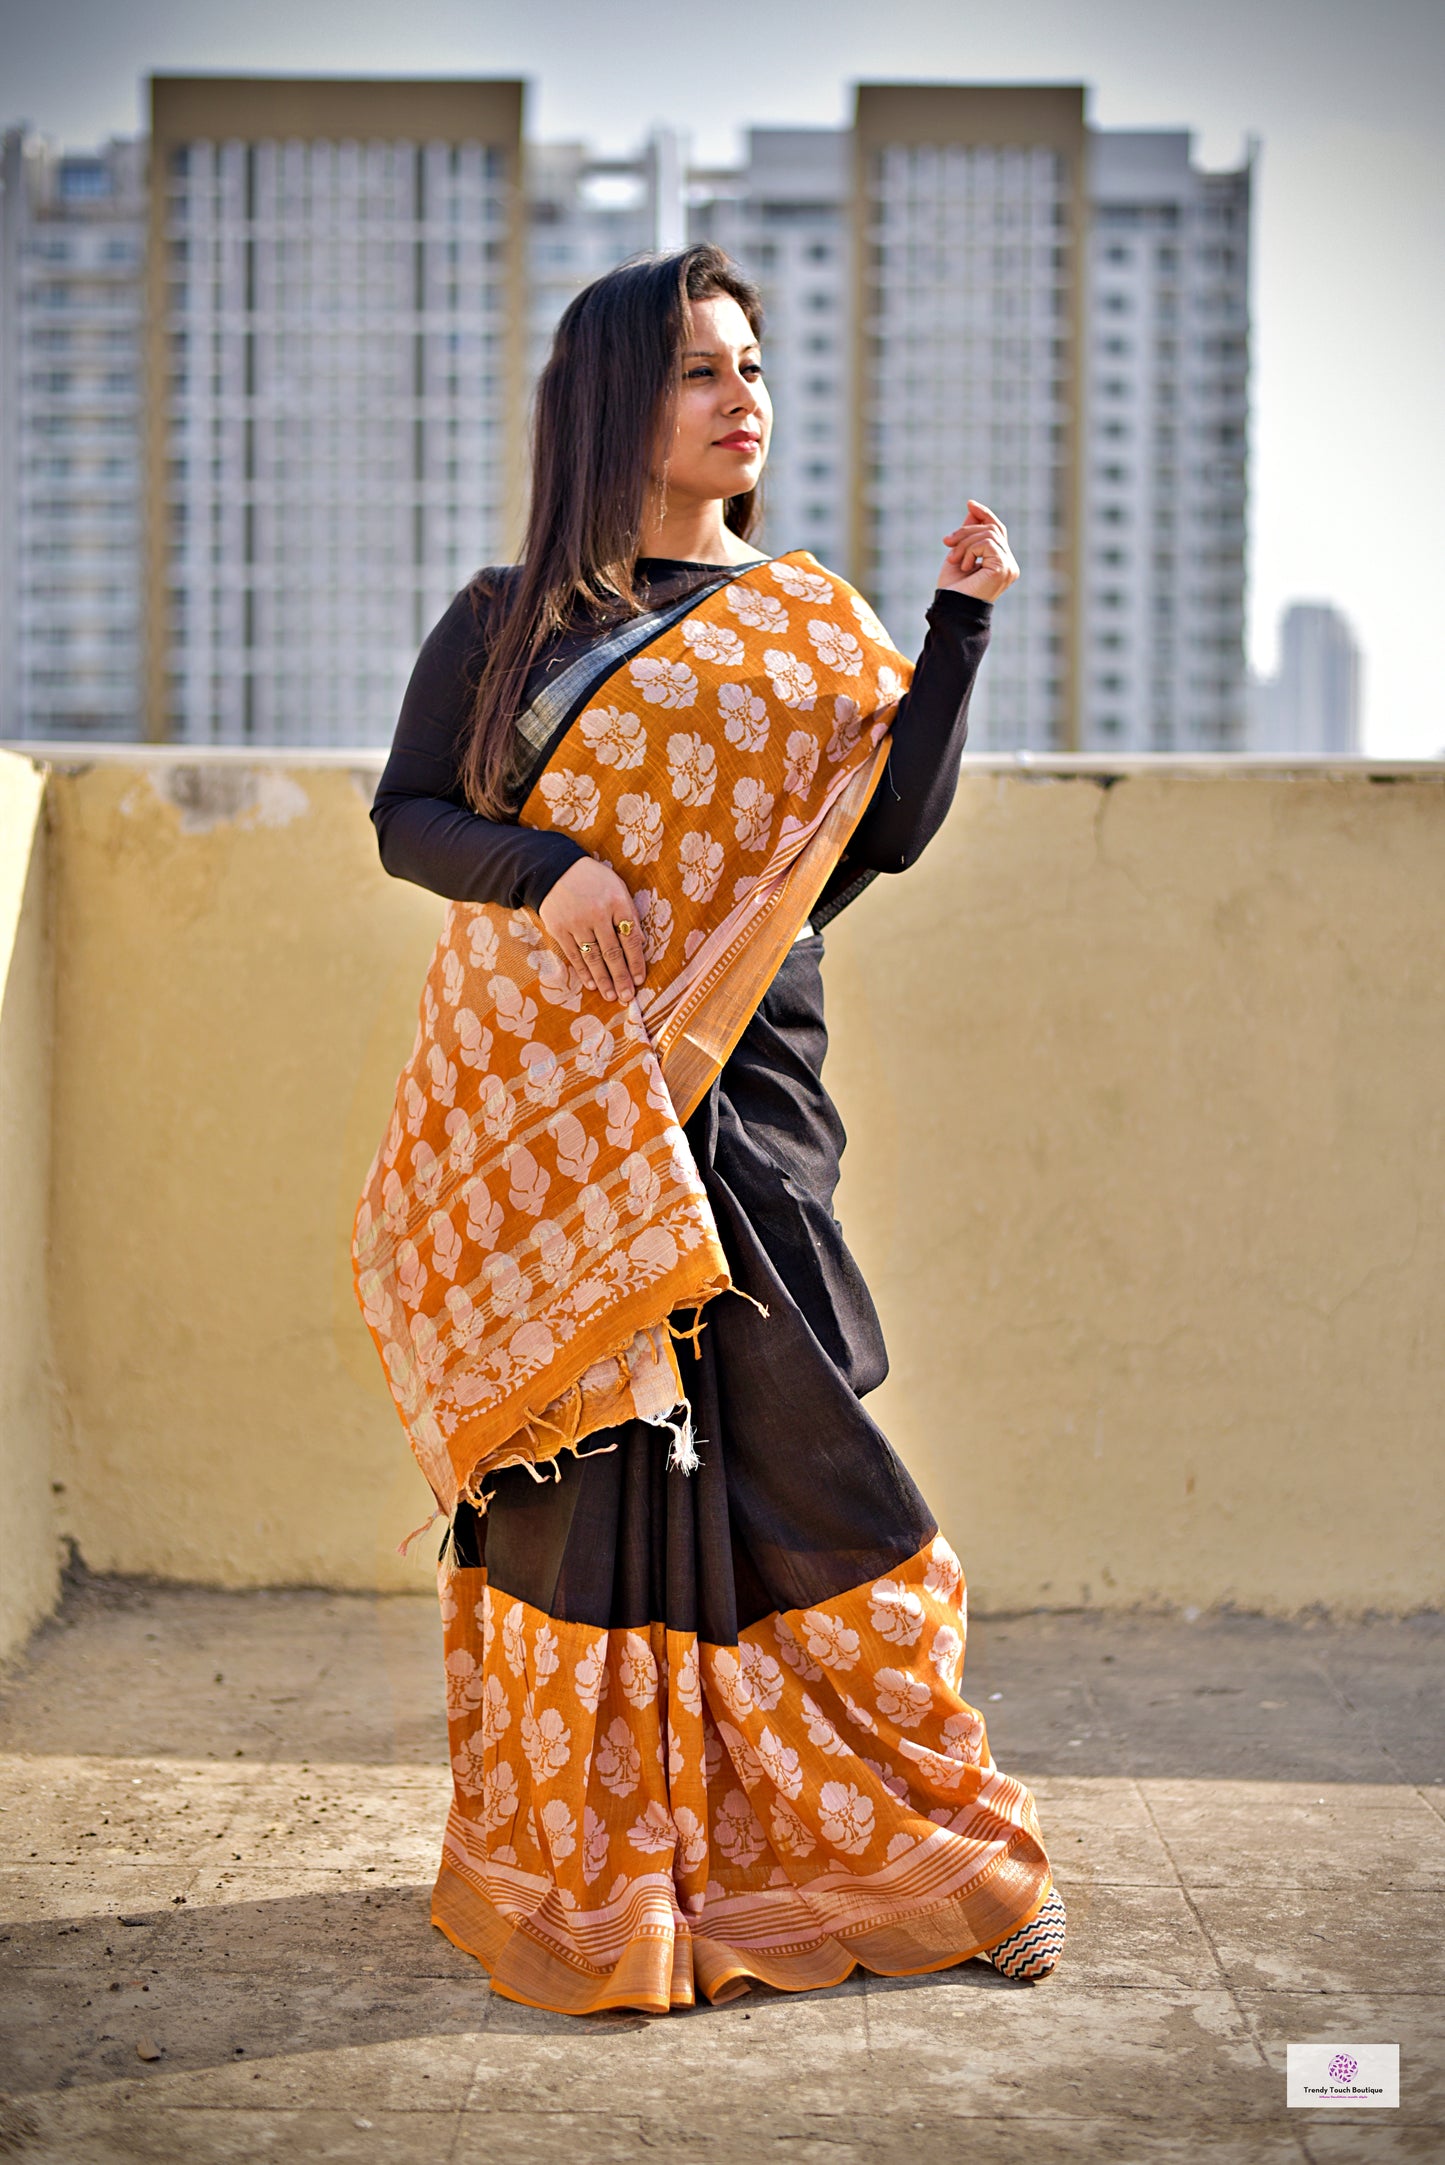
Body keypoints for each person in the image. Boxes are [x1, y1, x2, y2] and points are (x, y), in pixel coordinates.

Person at [355, 243, 1065, 2016]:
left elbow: (875, 836)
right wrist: (553, 864)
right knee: (586, 1502)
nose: (742, 394)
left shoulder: (810, 618)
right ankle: (599, 1868)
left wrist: (957, 626)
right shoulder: (513, 615)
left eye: (751, 364)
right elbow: (410, 818)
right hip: (552, 1114)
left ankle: (937, 1852)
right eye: (698, 370)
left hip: (744, 1102)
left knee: (820, 1484)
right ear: (614, 399)